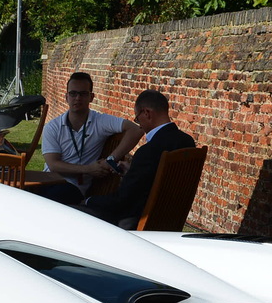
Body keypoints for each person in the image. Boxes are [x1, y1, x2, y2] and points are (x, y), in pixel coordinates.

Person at [83, 89, 196, 228]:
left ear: (147, 113)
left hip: (136, 222)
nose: (139, 124)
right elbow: (158, 178)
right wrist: (133, 170)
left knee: (74, 212)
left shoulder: (148, 152)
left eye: (137, 118)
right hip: (169, 220)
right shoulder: (187, 142)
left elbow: (121, 201)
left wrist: (88, 200)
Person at [35, 71, 143, 205]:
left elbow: (136, 130)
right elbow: (53, 164)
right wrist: (88, 169)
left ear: (91, 97)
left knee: (47, 202)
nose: (77, 98)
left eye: (83, 94)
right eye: (73, 93)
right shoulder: (53, 126)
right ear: (66, 97)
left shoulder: (99, 121)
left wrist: (110, 160)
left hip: (73, 187)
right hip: (48, 180)